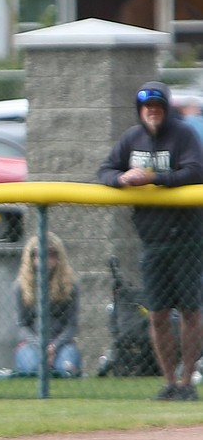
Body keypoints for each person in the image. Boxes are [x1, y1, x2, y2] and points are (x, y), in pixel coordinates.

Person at [98, 81, 203, 401]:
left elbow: (195, 171)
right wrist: (120, 179)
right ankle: (169, 381)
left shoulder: (183, 135)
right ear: (140, 110)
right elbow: (105, 170)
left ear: (166, 108)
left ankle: (188, 380)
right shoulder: (132, 138)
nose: (152, 112)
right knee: (156, 314)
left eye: (157, 107)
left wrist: (152, 177)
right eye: (147, 108)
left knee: (190, 312)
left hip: (187, 240)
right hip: (152, 241)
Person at [13, 233, 82, 378]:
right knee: (34, 370)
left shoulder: (70, 286)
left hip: (62, 344)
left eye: (51, 254)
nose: (45, 259)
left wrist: (54, 346)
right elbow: (21, 326)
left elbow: (72, 326)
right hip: (31, 343)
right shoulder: (21, 287)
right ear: (31, 258)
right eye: (39, 254)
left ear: (59, 257)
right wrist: (40, 345)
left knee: (66, 370)